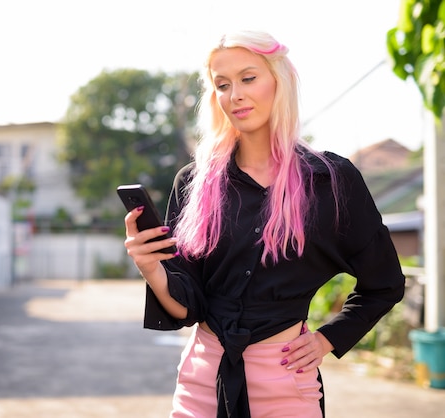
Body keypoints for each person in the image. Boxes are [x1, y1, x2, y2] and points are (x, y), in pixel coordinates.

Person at [123, 30, 405, 418]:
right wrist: (150, 267)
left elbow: (384, 283)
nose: (235, 94)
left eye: (248, 78)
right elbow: (186, 307)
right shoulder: (193, 182)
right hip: (204, 378)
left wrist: (327, 339)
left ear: (279, 81)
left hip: (286, 379)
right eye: (222, 85)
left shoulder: (331, 181)